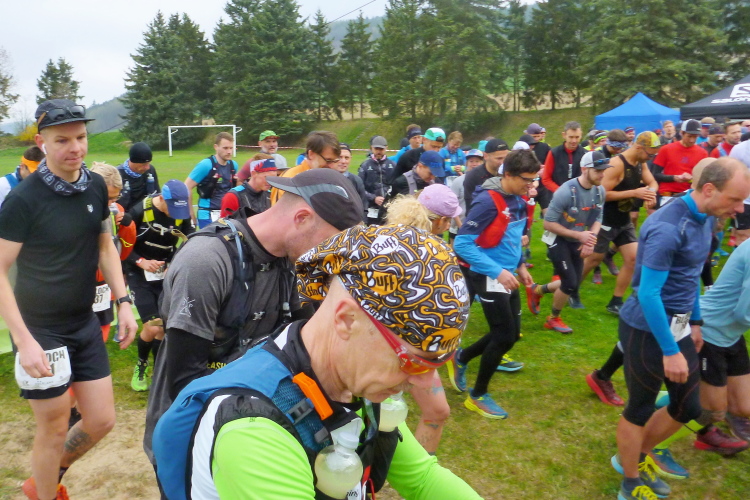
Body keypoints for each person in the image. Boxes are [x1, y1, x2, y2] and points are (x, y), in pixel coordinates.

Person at [152, 223, 479, 500]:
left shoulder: (359, 381)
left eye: (438, 364)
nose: (424, 382)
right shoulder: (254, 432)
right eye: (414, 362)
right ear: (347, 320)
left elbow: (422, 479)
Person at [143, 168, 363, 470]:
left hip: (254, 427)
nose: (329, 257)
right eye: (330, 243)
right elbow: (185, 384)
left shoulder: (295, 260)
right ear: (302, 218)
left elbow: (306, 344)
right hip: (190, 437)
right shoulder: (205, 261)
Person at [0, 99, 138, 500]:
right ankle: (47, 491)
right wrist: (24, 340)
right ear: (41, 142)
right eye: (62, 140)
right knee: (54, 426)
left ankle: (43, 479)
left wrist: (124, 301)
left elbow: (105, 246)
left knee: (101, 419)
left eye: (80, 137)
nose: (75, 147)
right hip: (40, 329)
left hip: (84, 321)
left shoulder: (94, 185)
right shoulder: (23, 200)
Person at [611, 158, 750, 500]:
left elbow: (689, 278)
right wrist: (671, 350)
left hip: (679, 324)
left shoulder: (706, 218)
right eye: (735, 200)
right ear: (709, 189)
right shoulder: (668, 227)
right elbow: (649, 293)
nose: (739, 209)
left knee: (689, 407)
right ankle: (630, 480)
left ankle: (638, 455)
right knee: (639, 408)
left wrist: (696, 322)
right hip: (645, 328)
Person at [450, 150, 540, 419]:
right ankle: (477, 396)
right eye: (526, 179)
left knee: (511, 334)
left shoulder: (519, 198)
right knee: (504, 336)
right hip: (488, 276)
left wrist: (520, 266)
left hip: (506, 274)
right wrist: (497, 271)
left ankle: (461, 357)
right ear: (508, 175)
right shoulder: (487, 202)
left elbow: (513, 237)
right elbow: (462, 244)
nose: (530, 185)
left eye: (533, 180)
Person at [383, 184, 461, 453]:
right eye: (448, 221)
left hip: (394, 342)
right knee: (434, 412)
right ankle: (415, 473)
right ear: (439, 221)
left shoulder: (390, 237)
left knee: (387, 410)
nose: (448, 226)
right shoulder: (427, 250)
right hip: (404, 347)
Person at [579, 132, 660, 315]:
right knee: (593, 260)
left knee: (633, 259)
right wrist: (634, 193)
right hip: (604, 220)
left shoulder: (640, 162)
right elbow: (601, 194)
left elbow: (652, 182)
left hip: (623, 220)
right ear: (638, 147)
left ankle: (616, 301)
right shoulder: (616, 164)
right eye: (650, 154)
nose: (651, 158)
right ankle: (570, 288)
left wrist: (651, 193)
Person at [126, 180, 194, 392]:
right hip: (138, 273)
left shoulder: (181, 213)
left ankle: (159, 372)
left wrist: (174, 263)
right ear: (162, 198)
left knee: (164, 327)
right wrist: (141, 262)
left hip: (164, 274)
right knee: (153, 325)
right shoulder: (139, 211)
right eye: (172, 207)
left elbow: (190, 239)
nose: (176, 214)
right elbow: (122, 246)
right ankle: (141, 365)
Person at [530, 151, 608, 334]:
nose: (602, 174)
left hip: (577, 238)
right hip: (558, 238)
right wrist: (580, 236)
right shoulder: (566, 191)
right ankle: (553, 319)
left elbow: (598, 218)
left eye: (604, 170)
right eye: (598, 171)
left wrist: (590, 240)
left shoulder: (600, 191)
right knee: (570, 283)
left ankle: (537, 290)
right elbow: (548, 223)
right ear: (584, 169)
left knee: (573, 280)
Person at [88, 162, 137, 343]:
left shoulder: (117, 211)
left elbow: (122, 253)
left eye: (115, 198)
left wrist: (127, 226)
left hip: (104, 285)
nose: (111, 204)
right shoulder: (76, 211)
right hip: (79, 286)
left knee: (100, 338)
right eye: (108, 198)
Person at [270, 130, 341, 204]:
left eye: (335, 161)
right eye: (328, 160)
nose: (332, 166)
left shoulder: (332, 180)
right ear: (311, 154)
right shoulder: (289, 181)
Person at [185, 132, 238, 228]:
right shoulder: (206, 165)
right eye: (225, 148)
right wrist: (190, 213)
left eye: (231, 148)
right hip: (207, 214)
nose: (229, 151)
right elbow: (187, 186)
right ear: (216, 147)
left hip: (228, 214)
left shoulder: (233, 165)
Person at [651, 119, 706, 208]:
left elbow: (703, 178)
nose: (692, 140)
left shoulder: (702, 153)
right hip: (668, 194)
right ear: (682, 133)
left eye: (695, 137)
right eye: (689, 136)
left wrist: (691, 179)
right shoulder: (666, 149)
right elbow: (655, 174)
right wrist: (674, 178)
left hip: (690, 196)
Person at [462, 138, 510, 209]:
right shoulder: (473, 176)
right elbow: (471, 207)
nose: (503, 162)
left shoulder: (510, 173)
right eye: (499, 158)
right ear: (486, 156)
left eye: (506, 158)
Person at [541, 121, 586, 194]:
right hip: (557, 195)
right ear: (564, 135)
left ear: (581, 135)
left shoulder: (585, 154)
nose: (574, 141)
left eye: (577, 137)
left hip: (579, 196)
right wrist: (562, 192)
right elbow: (546, 179)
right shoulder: (554, 153)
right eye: (571, 137)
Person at [359, 136, 396, 224]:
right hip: (371, 208)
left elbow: (397, 186)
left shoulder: (393, 165)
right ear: (371, 148)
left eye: (381, 149)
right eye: (376, 149)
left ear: (386, 148)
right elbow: (360, 188)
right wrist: (374, 198)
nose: (379, 151)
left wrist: (389, 199)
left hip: (390, 208)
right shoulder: (365, 166)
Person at [449, 149, 483, 242]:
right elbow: (452, 205)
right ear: (466, 163)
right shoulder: (458, 181)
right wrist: (461, 226)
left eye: (477, 161)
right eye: (471, 161)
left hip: (479, 227)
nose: (474, 164)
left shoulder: (485, 181)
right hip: (458, 227)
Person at [117, 142, 160, 212]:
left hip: (146, 214)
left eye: (148, 163)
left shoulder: (150, 171)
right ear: (133, 161)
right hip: (125, 215)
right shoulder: (117, 174)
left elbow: (157, 196)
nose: (147, 167)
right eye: (144, 164)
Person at [333, 143, 367, 219]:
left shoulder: (356, 181)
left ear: (350, 159)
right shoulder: (326, 178)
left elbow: (363, 205)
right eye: (340, 157)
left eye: (346, 158)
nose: (343, 161)